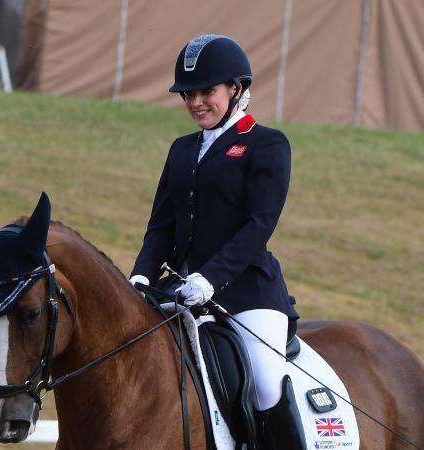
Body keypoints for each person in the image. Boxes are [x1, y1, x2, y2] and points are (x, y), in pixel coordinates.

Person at [129, 34, 305, 449]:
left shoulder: (266, 144)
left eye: (207, 91)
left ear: (236, 90)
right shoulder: (181, 150)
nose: (195, 103)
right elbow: (161, 227)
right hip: (180, 292)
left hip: (248, 293)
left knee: (264, 383)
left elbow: (259, 224)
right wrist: (139, 277)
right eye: (188, 94)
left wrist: (210, 278)